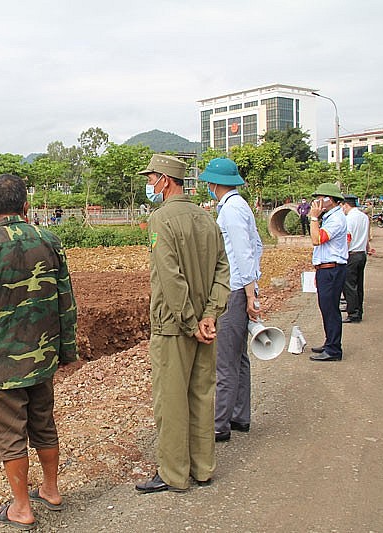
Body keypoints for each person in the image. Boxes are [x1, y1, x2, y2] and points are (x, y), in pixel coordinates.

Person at [0, 173, 78, 530]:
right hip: (42, 356)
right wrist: (65, 350)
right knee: (43, 421)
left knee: (10, 434)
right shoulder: (50, 241)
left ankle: (21, 508)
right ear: (26, 206)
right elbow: (66, 301)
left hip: (2, 363)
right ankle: (51, 490)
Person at [134, 154, 230, 493]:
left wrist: (190, 322)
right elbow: (223, 270)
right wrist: (210, 315)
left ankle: (174, 473)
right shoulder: (207, 218)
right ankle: (203, 468)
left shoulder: (161, 219)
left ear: (165, 180)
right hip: (205, 324)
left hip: (174, 326)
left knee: (171, 400)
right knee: (202, 394)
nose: (150, 185)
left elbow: (170, 278)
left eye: (151, 179)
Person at [198, 158, 263, 443]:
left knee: (225, 360)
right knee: (239, 357)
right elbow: (257, 246)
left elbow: (244, 252)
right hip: (241, 287)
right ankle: (239, 415)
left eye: (208, 183)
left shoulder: (232, 210)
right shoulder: (239, 205)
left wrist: (249, 293)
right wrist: (254, 286)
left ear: (214, 183)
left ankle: (219, 424)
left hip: (233, 290)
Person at [308, 183, 348, 362]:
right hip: (327, 269)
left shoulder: (336, 219)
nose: (316, 202)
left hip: (332, 269)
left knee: (330, 309)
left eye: (319, 198)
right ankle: (330, 342)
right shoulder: (331, 217)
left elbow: (317, 239)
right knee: (326, 308)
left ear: (329, 199)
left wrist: (313, 218)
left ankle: (333, 350)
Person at [342, 195, 369, 323]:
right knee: (359, 285)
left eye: (342, 206)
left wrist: (343, 254)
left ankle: (353, 313)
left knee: (349, 285)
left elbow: (348, 238)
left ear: (346, 205)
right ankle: (358, 309)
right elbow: (367, 235)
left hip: (351, 254)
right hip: (362, 254)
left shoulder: (349, 219)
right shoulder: (364, 217)